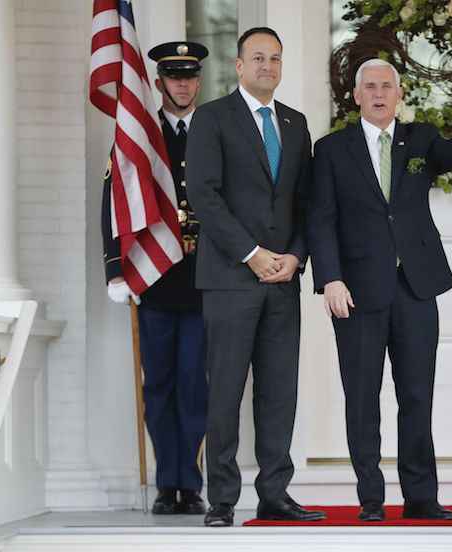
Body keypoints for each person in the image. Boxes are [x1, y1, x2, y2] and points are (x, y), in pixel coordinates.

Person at [307, 58, 452, 522]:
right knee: (362, 396)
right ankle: (371, 498)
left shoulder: (422, 139)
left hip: (415, 286)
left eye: (386, 86)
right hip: (355, 291)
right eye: (369, 86)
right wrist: (329, 278)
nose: (378, 93)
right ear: (355, 96)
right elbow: (320, 218)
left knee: (416, 394)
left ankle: (421, 497)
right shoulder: (331, 149)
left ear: (399, 94)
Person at [185, 27, 323, 527]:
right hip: (230, 278)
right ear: (239, 66)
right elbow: (204, 195)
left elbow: (306, 203)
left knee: (278, 390)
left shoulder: (295, 122)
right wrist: (251, 253)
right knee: (224, 388)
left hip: (282, 280)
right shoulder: (212, 118)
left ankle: (275, 494)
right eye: (258, 58)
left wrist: (295, 257)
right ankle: (221, 498)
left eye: (275, 59)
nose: (267, 66)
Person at [101, 41, 209, 516]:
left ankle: (192, 479)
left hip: (206, 276)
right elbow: (114, 199)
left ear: (198, 81)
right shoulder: (138, 134)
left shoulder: (216, 128)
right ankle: (169, 483)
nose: (182, 84)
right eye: (173, 76)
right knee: (160, 383)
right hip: (156, 277)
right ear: (160, 81)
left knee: (195, 384)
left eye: (189, 76)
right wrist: (115, 269)